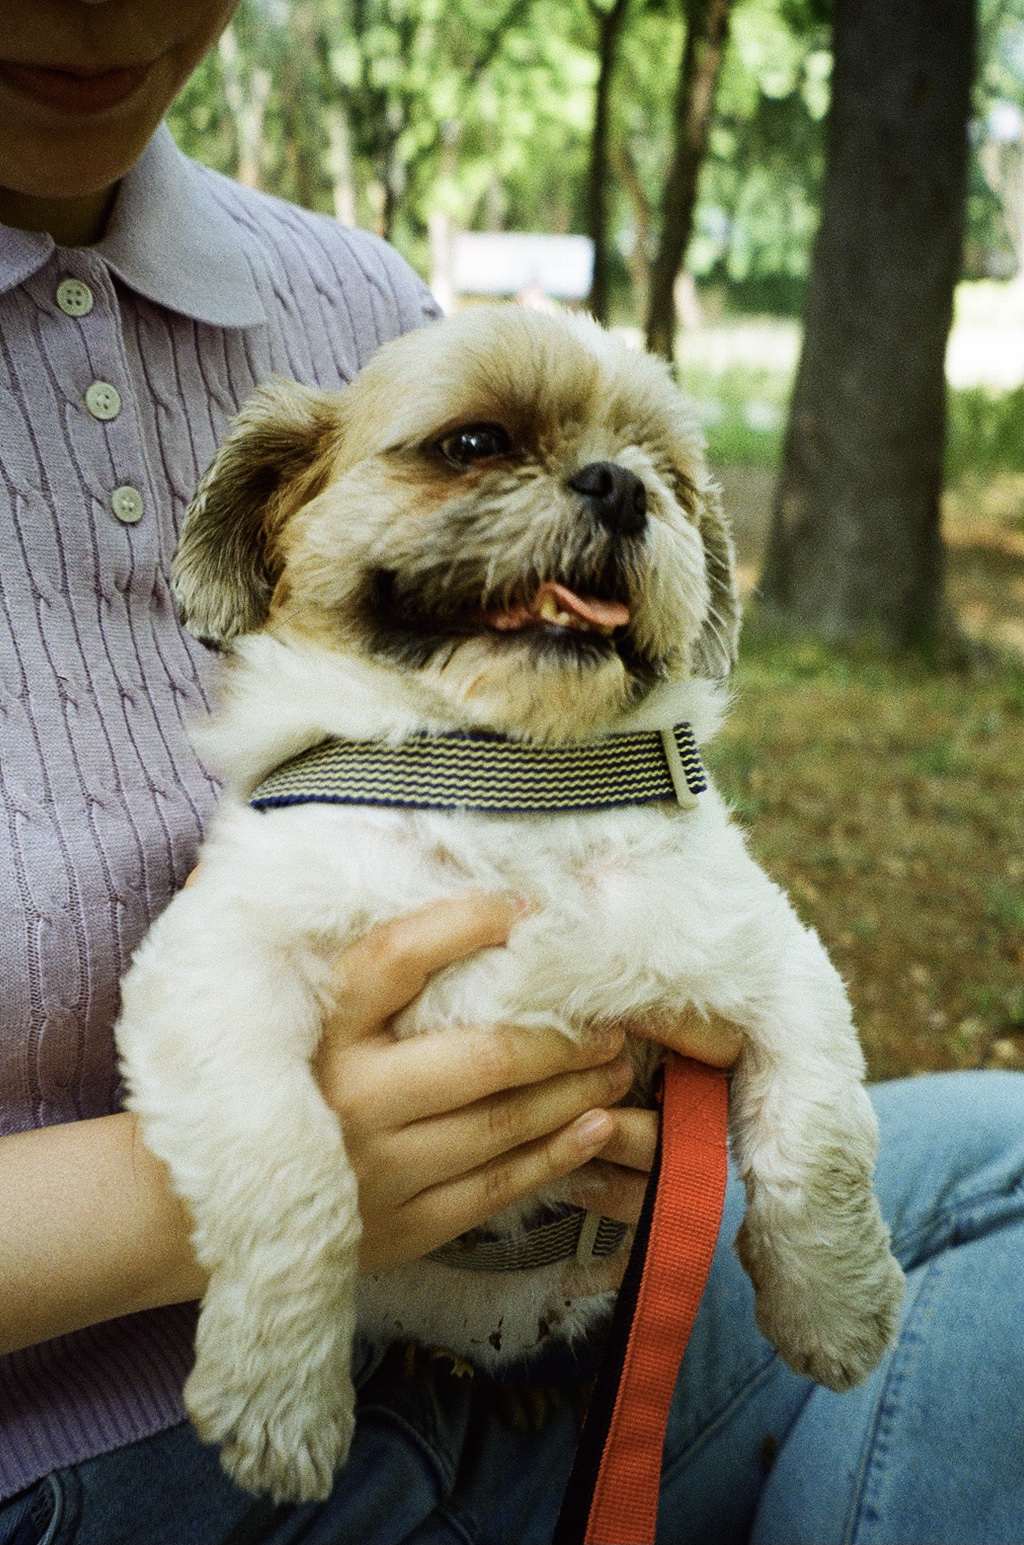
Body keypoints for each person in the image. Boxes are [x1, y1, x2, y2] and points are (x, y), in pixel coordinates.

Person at [1, 5, 1023, 1543]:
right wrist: (282, 1185)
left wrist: (687, 1099)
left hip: (591, 1344)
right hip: (112, 1453)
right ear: (272, 523)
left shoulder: (351, 291)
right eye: (475, 446)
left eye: (646, 480)